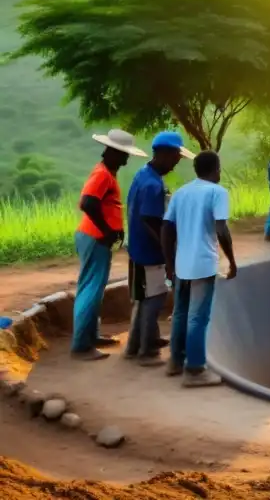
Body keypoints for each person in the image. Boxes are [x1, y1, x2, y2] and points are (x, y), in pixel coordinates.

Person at [161, 150, 237, 387]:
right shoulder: (217, 192)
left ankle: (175, 361)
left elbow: (166, 228)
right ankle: (194, 370)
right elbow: (221, 229)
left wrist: (170, 264)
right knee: (198, 318)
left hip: (182, 263)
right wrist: (232, 261)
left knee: (181, 314)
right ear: (216, 169)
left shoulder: (181, 193)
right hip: (203, 263)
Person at [71, 129, 147, 361]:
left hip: (94, 236)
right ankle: (82, 345)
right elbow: (87, 203)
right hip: (95, 237)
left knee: (93, 288)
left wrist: (115, 228)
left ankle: (90, 335)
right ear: (112, 152)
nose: (126, 159)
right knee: (91, 290)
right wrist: (106, 231)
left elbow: (102, 205)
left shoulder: (106, 173)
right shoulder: (103, 174)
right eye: (123, 154)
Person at [124, 131, 194, 367]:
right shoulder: (153, 184)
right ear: (165, 154)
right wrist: (168, 251)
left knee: (143, 298)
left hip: (138, 248)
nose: (176, 164)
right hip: (150, 252)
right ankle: (147, 352)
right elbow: (151, 221)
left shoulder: (143, 175)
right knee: (154, 299)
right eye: (175, 158)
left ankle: (136, 345)